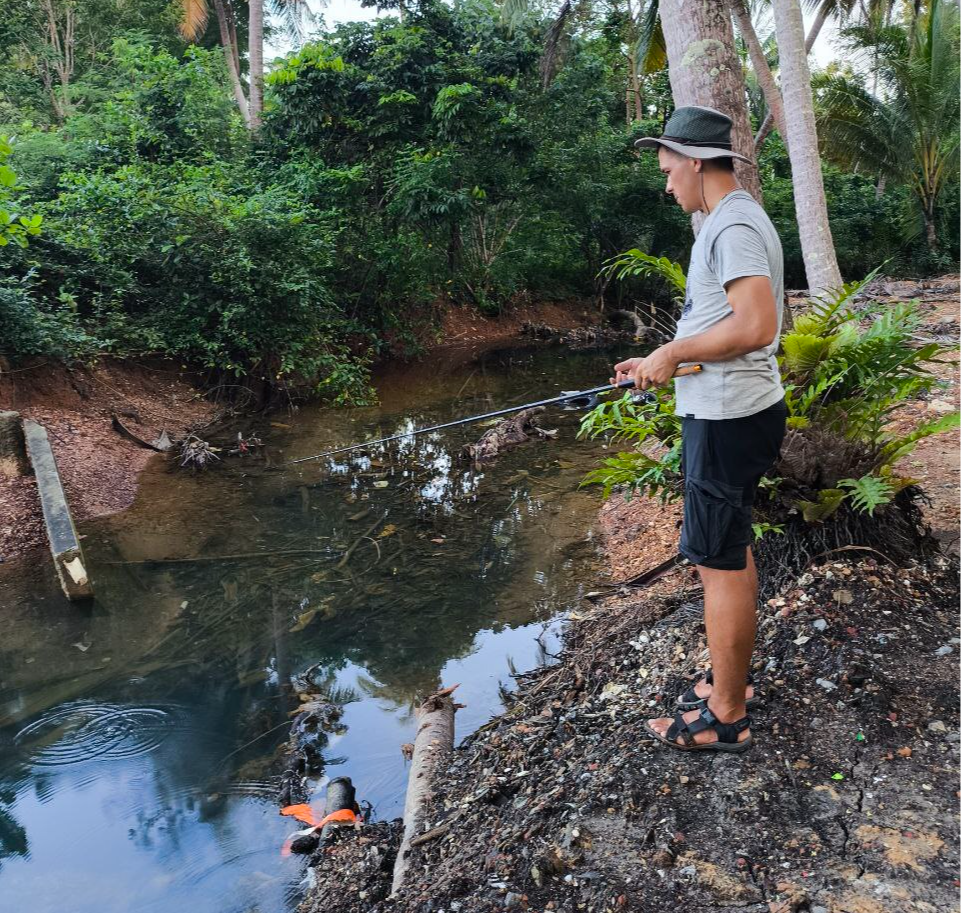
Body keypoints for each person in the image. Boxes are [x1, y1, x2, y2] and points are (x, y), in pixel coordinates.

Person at [613, 105, 786, 753]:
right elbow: (722, 319)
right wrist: (660, 357)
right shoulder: (724, 220)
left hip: (727, 417)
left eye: (666, 169)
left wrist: (672, 355)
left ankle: (726, 713)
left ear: (694, 161)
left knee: (717, 561)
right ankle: (727, 683)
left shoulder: (732, 225)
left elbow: (755, 324)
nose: (665, 184)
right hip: (731, 411)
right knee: (728, 550)